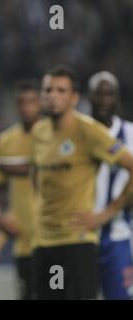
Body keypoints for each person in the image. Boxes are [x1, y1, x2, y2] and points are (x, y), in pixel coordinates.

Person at [31, 65, 133, 300]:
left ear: (74, 97)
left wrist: (106, 213)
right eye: (48, 90)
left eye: (60, 90)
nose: (52, 96)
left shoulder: (89, 131)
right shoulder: (38, 132)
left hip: (77, 242)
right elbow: (36, 173)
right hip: (44, 242)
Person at [0, 80, 41, 300]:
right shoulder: (6, 140)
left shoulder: (52, 136)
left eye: (32, 102)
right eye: (22, 102)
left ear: (41, 104)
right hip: (23, 244)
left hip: (53, 240)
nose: (27, 107)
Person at [89, 71, 133, 299]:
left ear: (116, 98)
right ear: (89, 97)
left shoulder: (130, 134)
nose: (103, 100)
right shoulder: (79, 131)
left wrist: (109, 212)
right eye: (98, 94)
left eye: (109, 94)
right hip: (81, 236)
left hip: (117, 236)